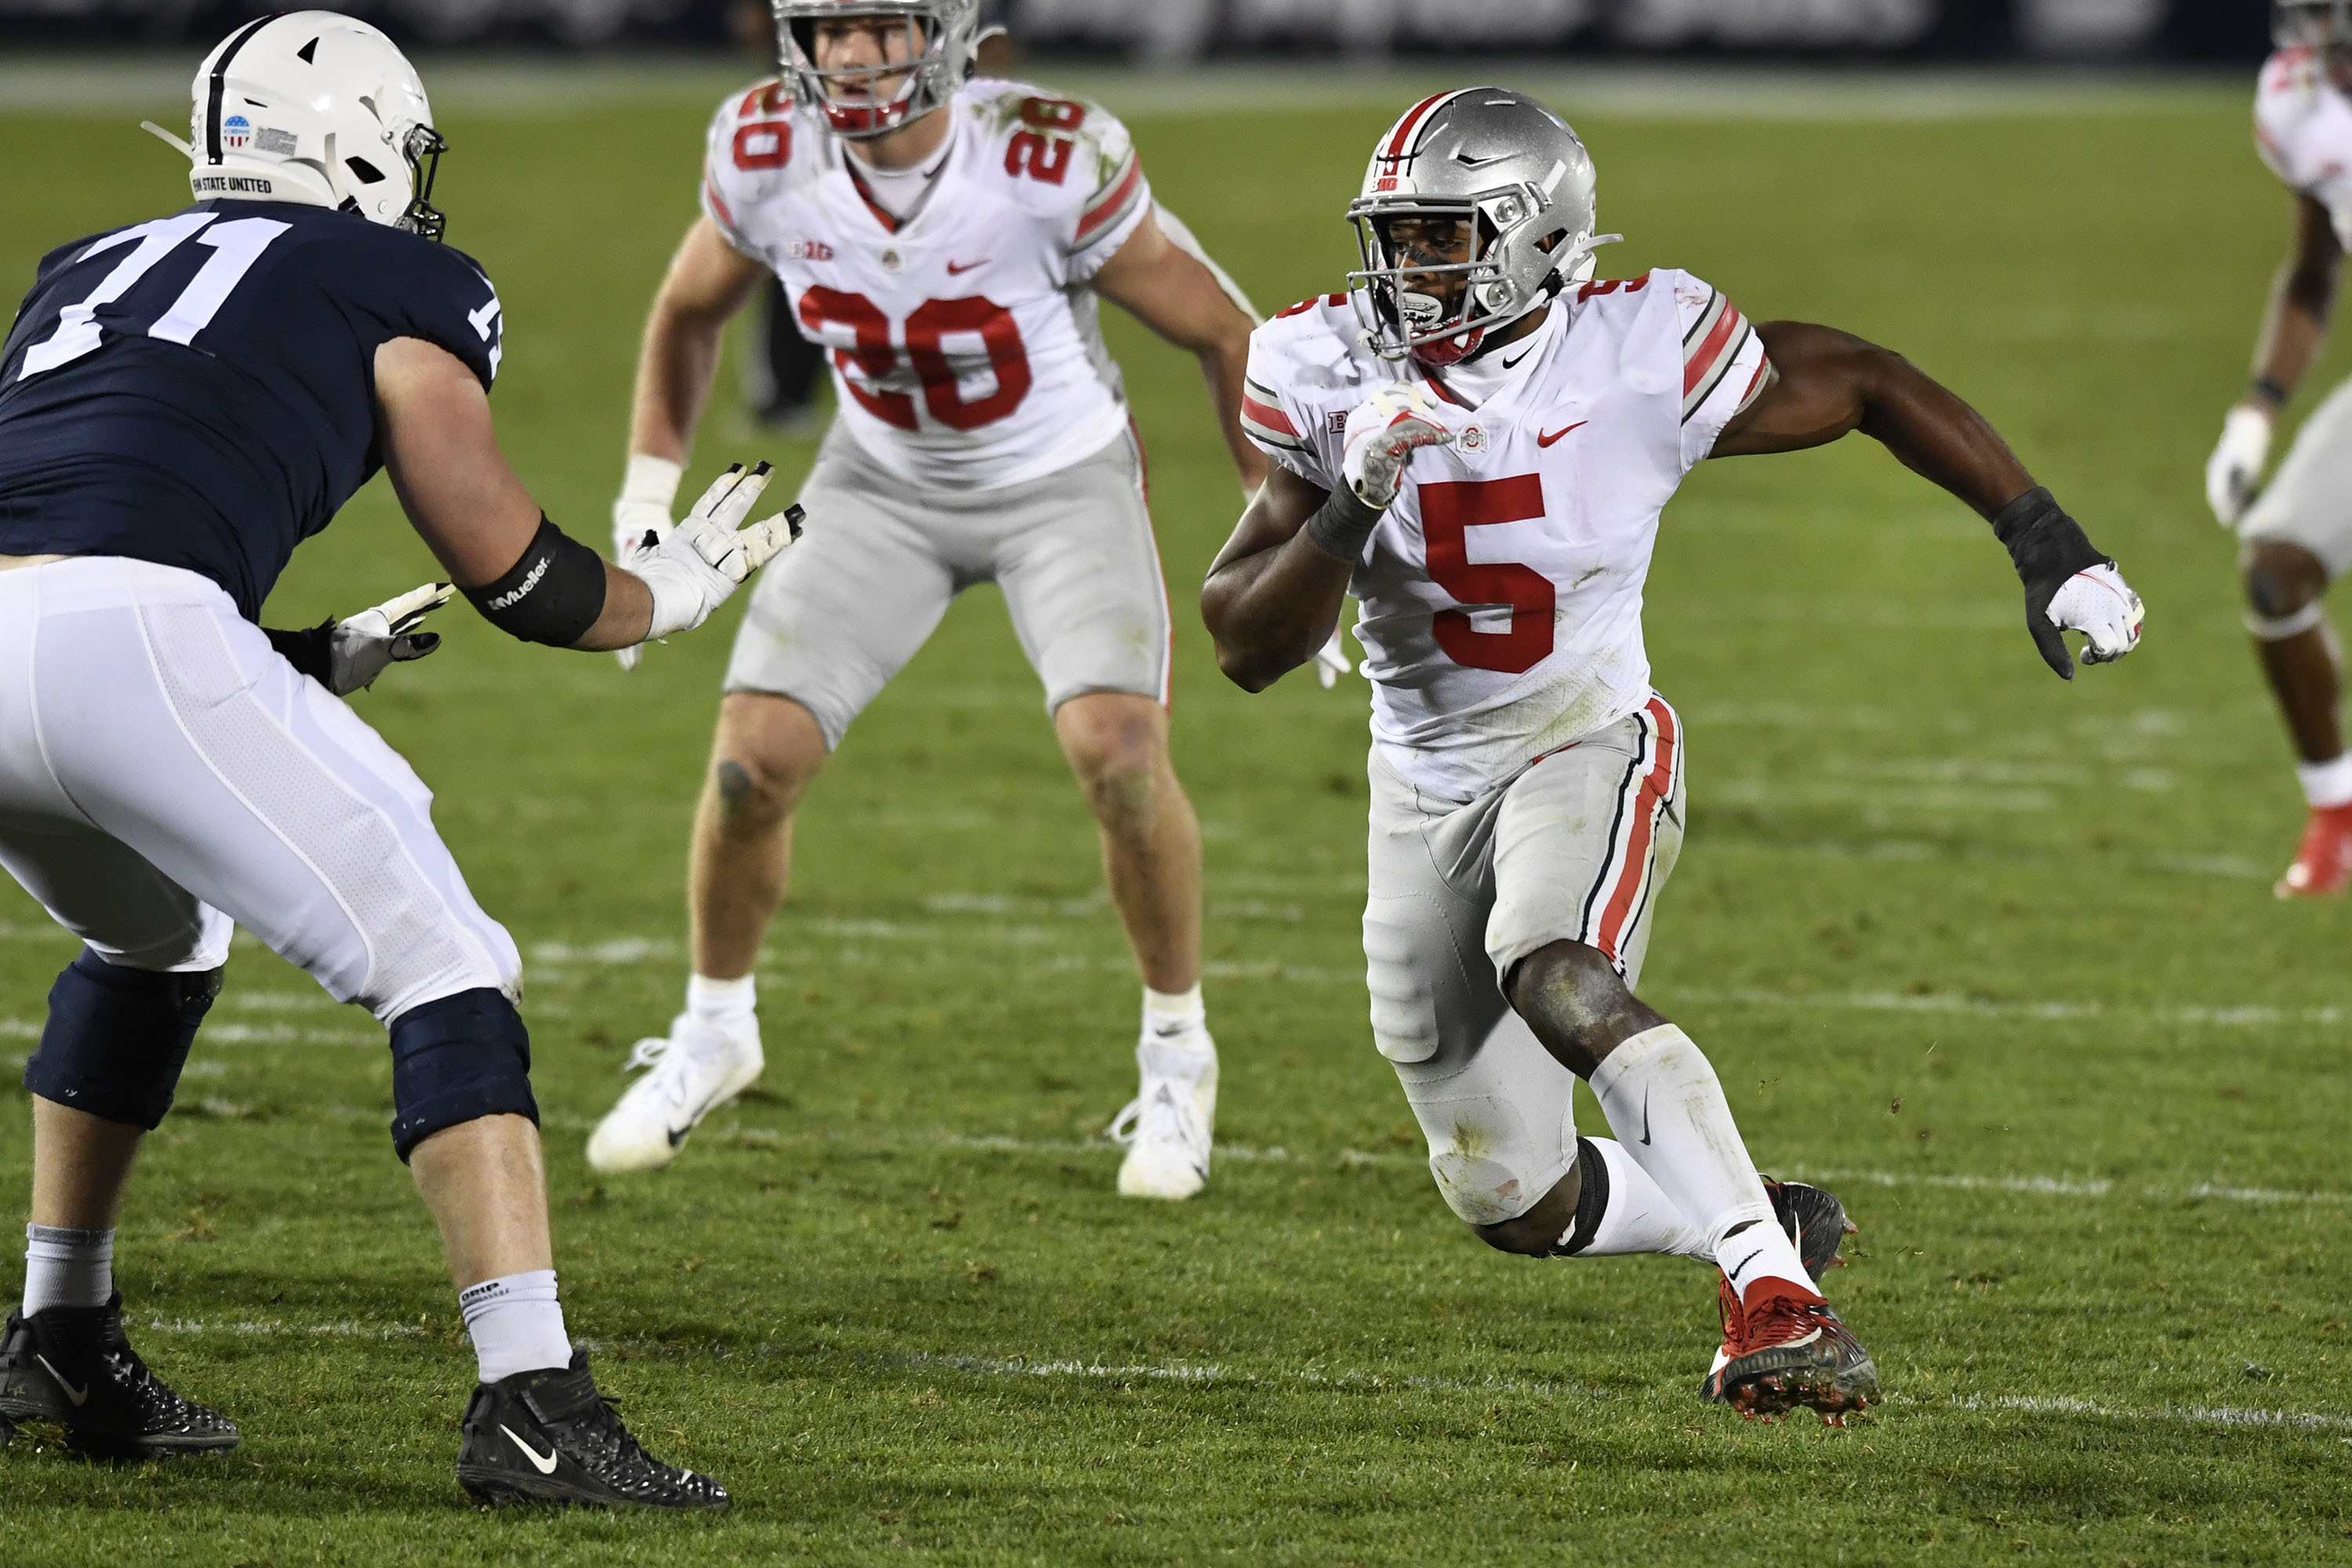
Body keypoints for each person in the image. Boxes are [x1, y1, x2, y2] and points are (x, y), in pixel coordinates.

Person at [1202, 89, 2144, 1421]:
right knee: (1507, 1192)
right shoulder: (1323, 366)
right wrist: (1352, 500)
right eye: (1397, 239)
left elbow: (1861, 379)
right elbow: (1246, 645)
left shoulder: (1637, 348)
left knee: (1559, 972)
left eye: (1441, 238)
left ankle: (1775, 1294)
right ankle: (1758, 1221)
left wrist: (2044, 539)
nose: (1407, 271)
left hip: (1585, 736)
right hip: (1419, 782)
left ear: (1537, 240)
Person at [0, 13, 794, 1505]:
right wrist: (661, 598)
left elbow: (73, 524)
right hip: (141, 640)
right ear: (363, 140)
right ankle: (531, 1399)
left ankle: (60, 1331)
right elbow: (511, 569)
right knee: (447, 961)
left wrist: (284, 659)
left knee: (155, 934)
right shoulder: (401, 279)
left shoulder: (85, 266)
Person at [586, 0, 1264, 1201]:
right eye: (826, 28)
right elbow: (690, 308)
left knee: (1118, 757)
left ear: (947, 32)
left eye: (879, 25)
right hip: (878, 482)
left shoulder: (1045, 160)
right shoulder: (764, 151)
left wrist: (1280, 530)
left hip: (1059, 480)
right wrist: (648, 499)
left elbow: (1222, 329)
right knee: (752, 763)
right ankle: (713, 1028)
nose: (848, 56)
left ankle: (1178, 1055)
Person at [2205, 2, 2352, 896]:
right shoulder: (2299, 102)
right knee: (2276, 567)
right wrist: (2258, 409)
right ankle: (2338, 814)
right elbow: (2313, 267)